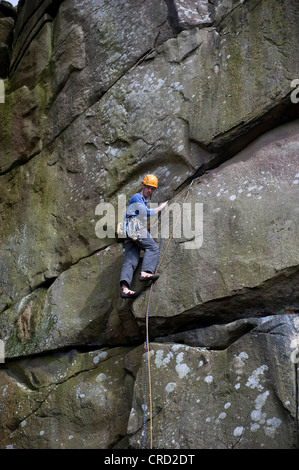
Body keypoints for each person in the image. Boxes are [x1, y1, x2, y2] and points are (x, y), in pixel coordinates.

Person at [120, 174, 168, 298]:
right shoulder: (137, 197)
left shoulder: (142, 201)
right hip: (134, 227)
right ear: (143, 185)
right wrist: (160, 208)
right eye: (148, 187)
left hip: (128, 231)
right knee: (153, 248)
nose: (150, 191)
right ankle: (145, 273)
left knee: (131, 259)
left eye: (152, 189)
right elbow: (145, 212)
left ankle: (125, 289)